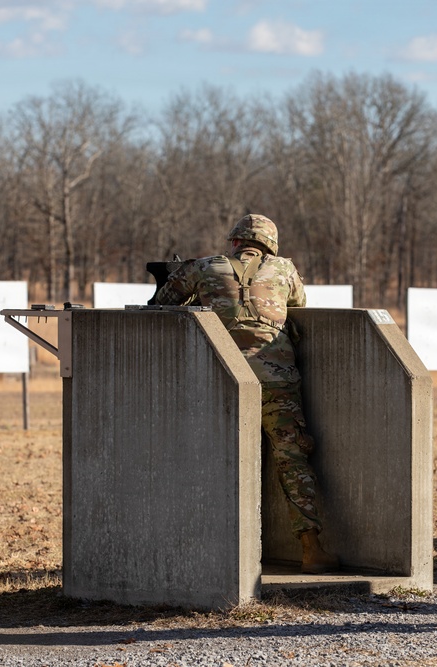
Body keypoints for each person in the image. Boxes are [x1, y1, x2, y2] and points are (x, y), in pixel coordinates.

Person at [153, 213, 339, 574]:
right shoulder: (284, 269)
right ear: (270, 244)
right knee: (292, 458)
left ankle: (208, 554)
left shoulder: (203, 267)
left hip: (221, 378)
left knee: (213, 460)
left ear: (235, 241)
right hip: (277, 380)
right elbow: (298, 308)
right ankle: (311, 549)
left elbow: (162, 304)